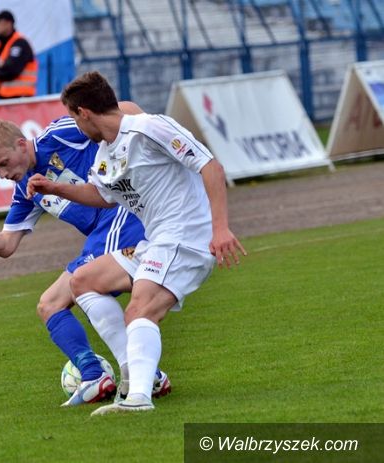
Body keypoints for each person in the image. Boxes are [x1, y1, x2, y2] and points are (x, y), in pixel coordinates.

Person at [27, 71, 246, 415]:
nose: (76, 126)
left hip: (186, 237)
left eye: (74, 117)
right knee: (83, 281)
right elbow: (102, 196)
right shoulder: (105, 153)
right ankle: (135, 372)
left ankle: (139, 398)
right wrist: (55, 188)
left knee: (140, 310)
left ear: (84, 112)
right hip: (156, 241)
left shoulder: (148, 128)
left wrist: (220, 228)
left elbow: (210, 166)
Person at [0, 110, 171, 406]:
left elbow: (111, 112)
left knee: (82, 283)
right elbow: (6, 245)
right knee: (49, 304)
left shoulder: (59, 134)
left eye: (4, 163)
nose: (2, 174)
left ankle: (134, 375)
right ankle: (102, 373)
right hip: (102, 236)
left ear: (21, 144)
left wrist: (148, 126)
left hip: (124, 216)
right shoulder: (26, 189)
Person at [0, 10, 37, 99]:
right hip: (4, 99)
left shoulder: (20, 43)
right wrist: (0, 65)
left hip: (22, 99)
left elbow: (11, 70)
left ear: (9, 24)